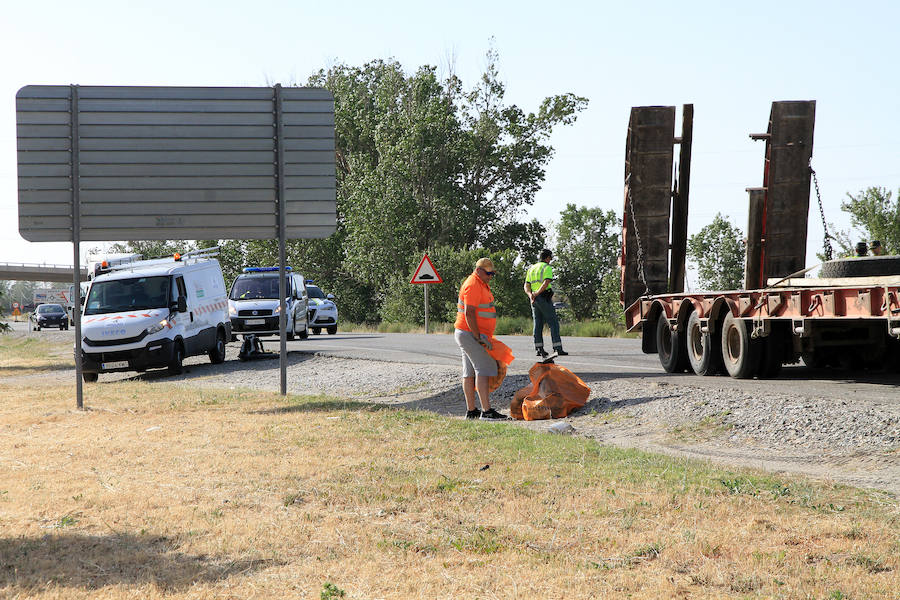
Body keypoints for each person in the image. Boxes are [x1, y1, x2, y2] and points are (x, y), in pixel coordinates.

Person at [454, 258, 509, 421]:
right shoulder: (473, 284)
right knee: (483, 369)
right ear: (478, 270)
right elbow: (469, 313)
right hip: (470, 334)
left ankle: (472, 411)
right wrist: (478, 336)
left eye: (492, 273)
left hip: (466, 333)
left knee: (469, 372)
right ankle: (486, 411)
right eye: (488, 273)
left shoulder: (480, 283)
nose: (491, 276)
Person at [524, 249, 568, 358]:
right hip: (543, 297)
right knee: (553, 322)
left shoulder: (532, 268)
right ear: (547, 258)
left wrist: (531, 295)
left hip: (534, 299)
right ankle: (557, 348)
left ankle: (539, 348)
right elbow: (546, 282)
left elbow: (526, 285)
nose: (550, 260)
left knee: (538, 323)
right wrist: (538, 293)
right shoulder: (546, 268)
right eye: (550, 258)